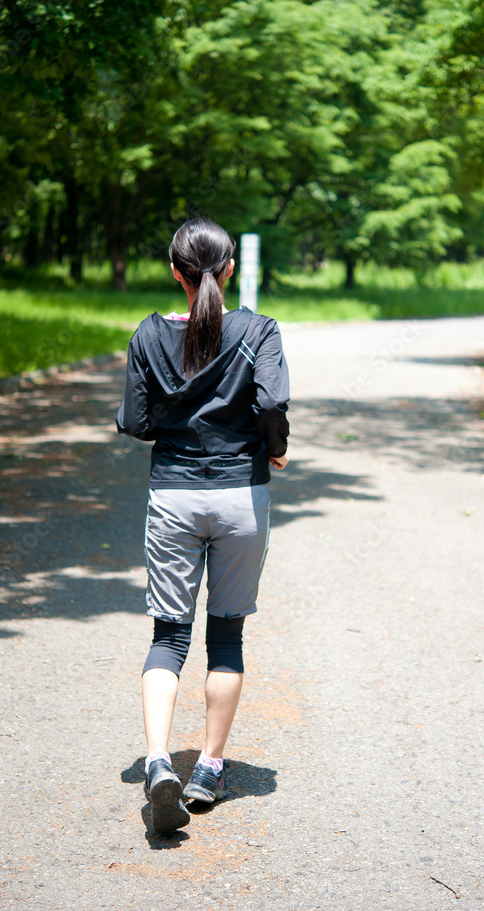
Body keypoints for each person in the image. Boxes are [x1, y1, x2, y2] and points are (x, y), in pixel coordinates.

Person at [116, 217, 290, 834]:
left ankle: (159, 761)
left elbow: (134, 423)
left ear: (175, 273)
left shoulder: (147, 336)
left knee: (168, 636)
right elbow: (271, 404)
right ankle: (209, 769)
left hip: (173, 497)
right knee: (226, 638)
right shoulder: (259, 330)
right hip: (242, 496)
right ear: (231, 270)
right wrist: (275, 447)